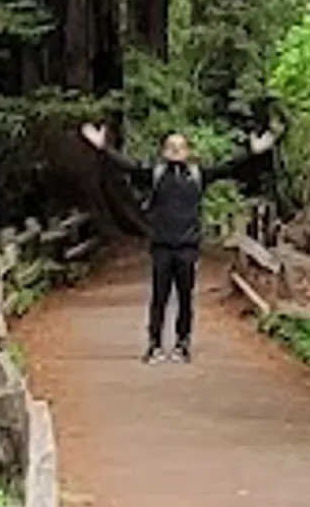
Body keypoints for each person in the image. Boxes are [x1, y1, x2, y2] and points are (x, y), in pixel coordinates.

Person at [79, 115, 248, 360]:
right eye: (171, 147)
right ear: (164, 151)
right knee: (159, 298)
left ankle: (182, 343)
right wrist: (103, 148)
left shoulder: (198, 175)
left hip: (187, 247)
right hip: (161, 246)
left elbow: (229, 167)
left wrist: (252, 151)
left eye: (180, 147)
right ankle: (155, 344)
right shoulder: (156, 174)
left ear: (188, 151)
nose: (175, 151)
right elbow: (128, 166)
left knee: (185, 299)